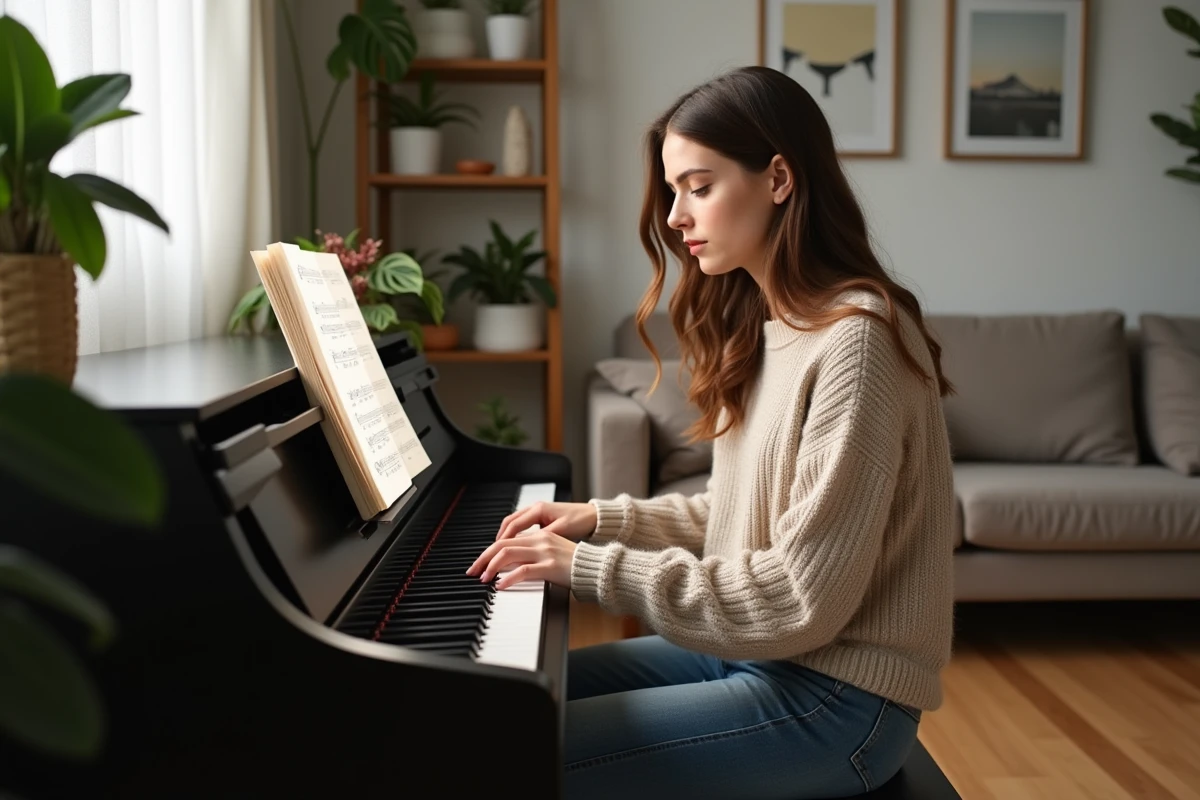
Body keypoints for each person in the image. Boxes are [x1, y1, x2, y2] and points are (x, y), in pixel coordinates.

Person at [466, 65, 956, 800]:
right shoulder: (776, 324)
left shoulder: (857, 341)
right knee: (486, 704)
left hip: (839, 704)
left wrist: (588, 566)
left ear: (780, 179)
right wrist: (601, 520)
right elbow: (737, 516)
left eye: (698, 186)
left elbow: (796, 596)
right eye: (672, 191)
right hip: (759, 662)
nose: (674, 216)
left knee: (497, 755)